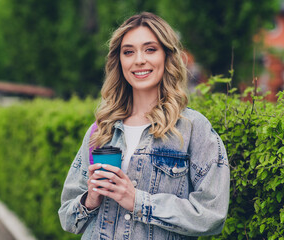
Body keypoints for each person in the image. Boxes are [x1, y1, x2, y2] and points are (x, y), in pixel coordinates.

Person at [58, 12, 230, 240]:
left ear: (167, 56)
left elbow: (211, 215)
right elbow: (67, 218)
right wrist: (90, 200)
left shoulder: (192, 129)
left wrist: (138, 201)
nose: (139, 60)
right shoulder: (102, 129)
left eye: (150, 49)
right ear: (119, 61)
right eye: (128, 52)